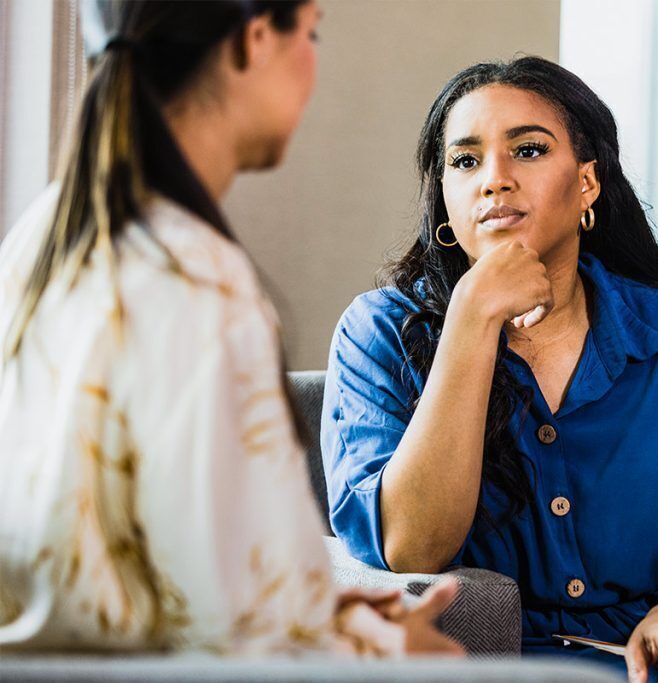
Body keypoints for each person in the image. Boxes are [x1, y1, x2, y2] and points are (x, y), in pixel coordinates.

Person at [322, 57, 658, 682]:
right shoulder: (378, 332)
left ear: (588, 183)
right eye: (465, 161)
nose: (494, 179)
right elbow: (411, 547)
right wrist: (472, 320)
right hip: (500, 665)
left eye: (529, 150)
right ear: (446, 202)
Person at [0, 0, 460, 657]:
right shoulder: (196, 278)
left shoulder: (45, 235)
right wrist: (383, 652)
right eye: (310, 33)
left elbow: (166, 559)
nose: (313, 64)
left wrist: (325, 608)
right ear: (251, 40)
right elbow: (244, 643)